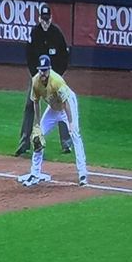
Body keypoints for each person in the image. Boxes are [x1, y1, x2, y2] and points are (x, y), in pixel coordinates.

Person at [19, 54, 89, 187]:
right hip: (53, 109)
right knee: (38, 137)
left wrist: (71, 122)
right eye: (41, 70)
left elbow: (66, 102)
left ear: (49, 69)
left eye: (45, 70)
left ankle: (82, 174)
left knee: (75, 134)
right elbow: (36, 103)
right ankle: (35, 173)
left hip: (66, 106)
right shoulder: (35, 81)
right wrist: (38, 124)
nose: (43, 73)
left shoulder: (57, 81)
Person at [15, 0, 74, 156]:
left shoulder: (57, 33)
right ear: (39, 18)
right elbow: (29, 56)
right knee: (29, 105)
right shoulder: (34, 33)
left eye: (47, 19)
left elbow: (65, 56)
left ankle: (67, 143)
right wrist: (36, 75)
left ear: (51, 18)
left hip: (54, 78)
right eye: (43, 18)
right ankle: (24, 143)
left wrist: (58, 76)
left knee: (61, 105)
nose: (45, 22)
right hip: (37, 76)